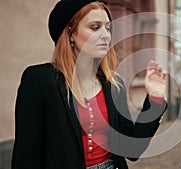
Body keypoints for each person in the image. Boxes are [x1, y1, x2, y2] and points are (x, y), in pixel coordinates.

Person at [12, 1, 167, 169]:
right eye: (95, 27)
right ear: (71, 33)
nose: (106, 35)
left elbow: (131, 149)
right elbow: (26, 157)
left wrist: (155, 97)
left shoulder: (115, 85)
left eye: (108, 28)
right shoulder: (39, 81)